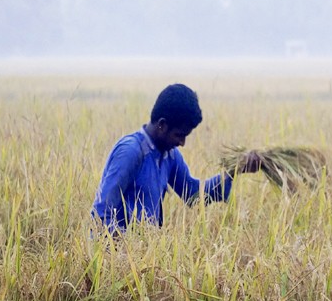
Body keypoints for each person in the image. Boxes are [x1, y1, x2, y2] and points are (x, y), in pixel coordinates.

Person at [92, 83, 262, 234]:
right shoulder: (131, 151)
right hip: (118, 256)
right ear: (162, 125)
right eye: (179, 135)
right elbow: (103, 208)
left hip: (143, 254)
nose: (182, 143)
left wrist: (234, 171)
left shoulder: (169, 156)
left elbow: (193, 193)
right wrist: (118, 255)